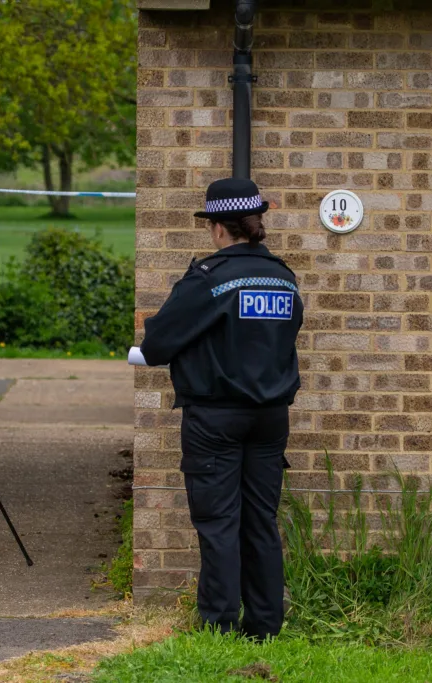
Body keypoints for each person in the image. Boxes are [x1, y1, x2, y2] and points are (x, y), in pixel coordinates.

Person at [139, 177, 303, 640]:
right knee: (260, 523)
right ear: (254, 224)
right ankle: (266, 625)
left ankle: (218, 626)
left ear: (217, 228)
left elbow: (157, 344)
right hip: (271, 419)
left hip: (215, 418)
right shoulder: (284, 278)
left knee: (218, 524)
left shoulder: (210, 279)